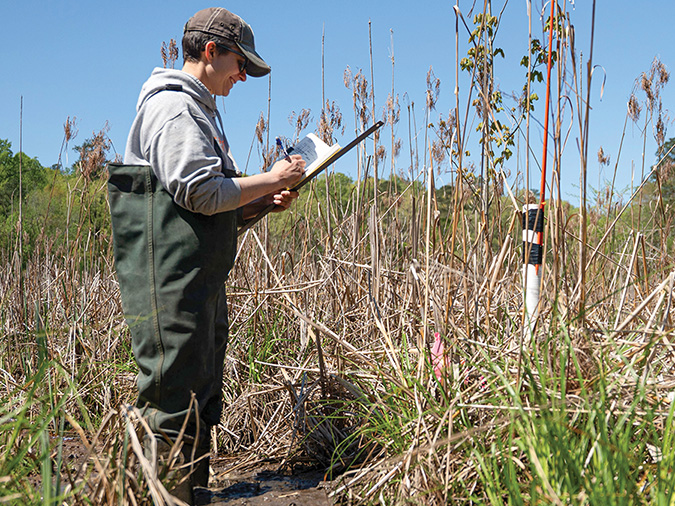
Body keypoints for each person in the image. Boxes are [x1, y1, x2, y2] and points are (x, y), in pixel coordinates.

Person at [107, 7, 306, 504]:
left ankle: (190, 494)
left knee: (198, 391)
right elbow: (199, 191)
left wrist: (260, 199)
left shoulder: (201, 112)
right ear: (211, 52)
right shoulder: (175, 110)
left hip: (197, 278)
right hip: (171, 281)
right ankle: (164, 498)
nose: (243, 76)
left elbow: (210, 205)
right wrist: (273, 178)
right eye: (240, 63)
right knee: (173, 394)